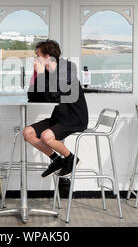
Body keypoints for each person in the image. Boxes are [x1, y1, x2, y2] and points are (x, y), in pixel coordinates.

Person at [23, 40, 89, 178]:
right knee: (27, 132)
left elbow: (52, 97)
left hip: (75, 117)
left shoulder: (67, 68)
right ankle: (57, 160)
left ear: (46, 57)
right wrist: (36, 75)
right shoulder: (46, 72)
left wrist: (40, 74)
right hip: (59, 117)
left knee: (46, 136)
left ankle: (71, 159)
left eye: (37, 55)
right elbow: (33, 96)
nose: (35, 59)